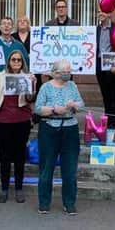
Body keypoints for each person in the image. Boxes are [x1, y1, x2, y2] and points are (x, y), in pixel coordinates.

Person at [0, 51, 35, 204]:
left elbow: (30, 99)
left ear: (22, 62)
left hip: (22, 120)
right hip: (2, 121)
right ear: (9, 61)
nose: (16, 62)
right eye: (13, 59)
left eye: (19, 60)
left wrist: (32, 84)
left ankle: (18, 189)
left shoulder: (27, 76)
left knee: (20, 156)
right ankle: (4, 189)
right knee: (4, 156)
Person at [35, 59, 84, 215]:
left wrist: (75, 105)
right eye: (65, 71)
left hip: (70, 128)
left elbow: (81, 103)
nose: (68, 74)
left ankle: (69, 202)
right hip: (49, 128)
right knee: (46, 167)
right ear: (55, 73)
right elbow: (37, 108)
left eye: (69, 71)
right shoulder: (45, 87)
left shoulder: (73, 86)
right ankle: (44, 202)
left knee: (70, 169)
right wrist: (55, 110)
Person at [96, 10, 115, 128]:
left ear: (110, 14)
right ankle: (108, 119)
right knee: (105, 94)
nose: (100, 14)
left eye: (103, 12)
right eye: (99, 12)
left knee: (114, 93)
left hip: (112, 63)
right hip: (99, 63)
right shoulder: (96, 29)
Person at [12, 15, 42, 93]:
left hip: (33, 68)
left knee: (34, 90)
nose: (22, 22)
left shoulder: (35, 36)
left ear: (28, 24)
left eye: (24, 21)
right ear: (17, 24)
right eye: (20, 21)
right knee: (19, 91)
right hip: (17, 67)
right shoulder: (12, 37)